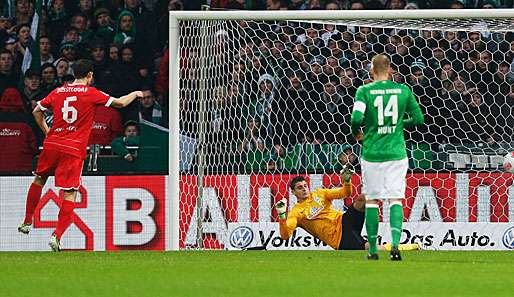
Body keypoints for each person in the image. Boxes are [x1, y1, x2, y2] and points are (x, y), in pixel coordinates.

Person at [17, 59, 143, 252]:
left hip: (52, 144)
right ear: (90, 75)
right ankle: (56, 236)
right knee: (70, 192)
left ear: (73, 73)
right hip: (73, 148)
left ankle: (27, 221)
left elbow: (36, 110)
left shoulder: (58, 91)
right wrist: (135, 93)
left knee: (39, 179)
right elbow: (120, 103)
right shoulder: (92, 93)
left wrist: (47, 131)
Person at [350, 54, 424, 260]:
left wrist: (358, 132)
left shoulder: (364, 91)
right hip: (396, 153)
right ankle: (395, 247)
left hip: (372, 153)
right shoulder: (403, 90)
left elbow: (356, 118)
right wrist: (399, 123)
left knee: (372, 200)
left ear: (371, 71)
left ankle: (373, 250)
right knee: (395, 199)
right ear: (390, 70)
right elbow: (419, 119)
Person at [274, 174, 420, 252]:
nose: (304, 189)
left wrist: (347, 181)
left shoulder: (320, 193)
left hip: (344, 221)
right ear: (293, 192)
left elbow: (345, 193)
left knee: (363, 198)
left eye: (305, 186)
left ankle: (388, 192)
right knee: (370, 248)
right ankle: (411, 247)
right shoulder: (296, 212)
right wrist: (282, 216)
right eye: (300, 188)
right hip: (339, 239)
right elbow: (285, 235)